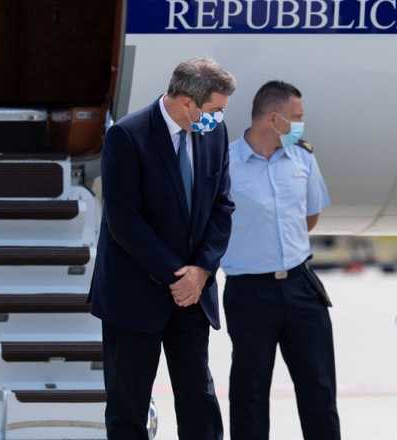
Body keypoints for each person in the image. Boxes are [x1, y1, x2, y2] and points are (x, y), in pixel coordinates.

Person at [88, 56, 236, 440]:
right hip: (135, 294)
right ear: (187, 102)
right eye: (214, 110)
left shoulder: (214, 135)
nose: (219, 119)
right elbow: (124, 219)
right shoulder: (128, 136)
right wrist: (177, 275)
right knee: (128, 407)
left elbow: (222, 206)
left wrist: (201, 271)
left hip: (193, 293)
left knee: (199, 402)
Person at [221, 80, 338, 439]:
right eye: (297, 118)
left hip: (302, 286)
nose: (302, 125)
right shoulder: (225, 163)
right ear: (274, 119)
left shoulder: (302, 156)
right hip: (249, 291)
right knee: (250, 392)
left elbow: (310, 215)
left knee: (318, 388)